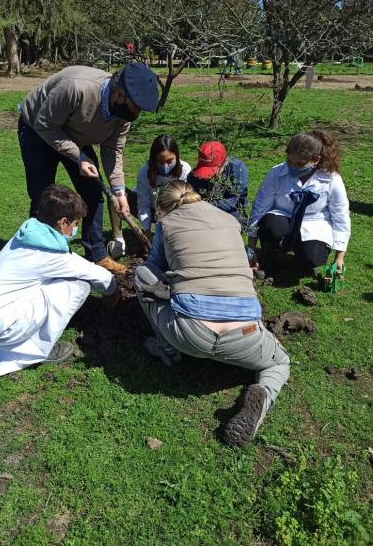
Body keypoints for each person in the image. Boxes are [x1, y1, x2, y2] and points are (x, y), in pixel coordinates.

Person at [133, 180, 290, 447]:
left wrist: (171, 284)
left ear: (163, 208)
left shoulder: (167, 224)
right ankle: (262, 395)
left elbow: (154, 267)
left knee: (141, 275)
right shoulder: (229, 220)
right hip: (245, 334)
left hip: (190, 333)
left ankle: (167, 350)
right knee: (280, 363)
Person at [18, 62, 159, 274]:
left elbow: (113, 151)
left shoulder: (123, 115)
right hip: (38, 130)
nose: (137, 113)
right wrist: (80, 157)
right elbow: (45, 124)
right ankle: (38, 256)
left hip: (75, 135)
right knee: (42, 198)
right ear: (119, 94)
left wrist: (119, 191)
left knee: (94, 194)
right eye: (136, 106)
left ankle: (97, 256)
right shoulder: (76, 88)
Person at [0, 185, 119, 377]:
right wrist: (114, 291)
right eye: (76, 224)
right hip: (2, 327)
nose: (76, 228)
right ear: (63, 222)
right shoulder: (48, 254)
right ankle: (38, 350)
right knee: (79, 285)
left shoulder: (31, 233)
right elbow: (98, 275)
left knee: (61, 279)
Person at [246, 130, 351, 276]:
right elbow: (260, 207)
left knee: (311, 258)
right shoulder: (276, 173)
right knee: (270, 225)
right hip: (282, 217)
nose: (293, 167)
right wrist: (250, 249)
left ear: (316, 160)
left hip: (314, 223)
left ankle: (304, 257)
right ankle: (270, 257)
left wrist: (339, 258)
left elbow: (341, 217)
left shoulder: (331, 179)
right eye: (289, 161)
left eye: (300, 163)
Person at [108, 134, 191, 258]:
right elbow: (143, 204)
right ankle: (119, 240)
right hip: (151, 210)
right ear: (154, 159)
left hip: (173, 211)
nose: (165, 166)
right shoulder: (145, 172)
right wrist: (147, 234)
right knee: (115, 193)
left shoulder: (185, 170)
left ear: (176, 157)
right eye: (160, 162)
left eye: (169, 161)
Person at [187, 141, 249, 227]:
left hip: (231, 213)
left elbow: (237, 200)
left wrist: (210, 205)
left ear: (224, 162)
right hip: (202, 214)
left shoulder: (237, 168)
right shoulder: (193, 176)